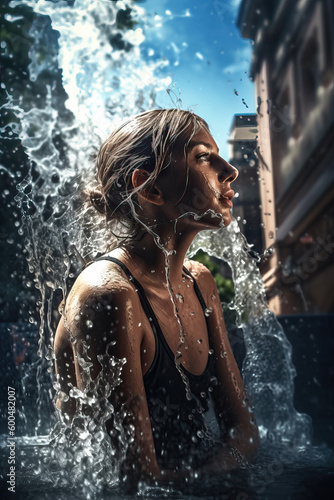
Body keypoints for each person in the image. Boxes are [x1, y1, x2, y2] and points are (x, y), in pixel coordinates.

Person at [54, 109, 259, 487]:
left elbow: (245, 435)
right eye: (203, 156)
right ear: (150, 189)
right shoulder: (110, 296)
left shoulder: (200, 282)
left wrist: (209, 477)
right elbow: (135, 479)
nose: (229, 170)